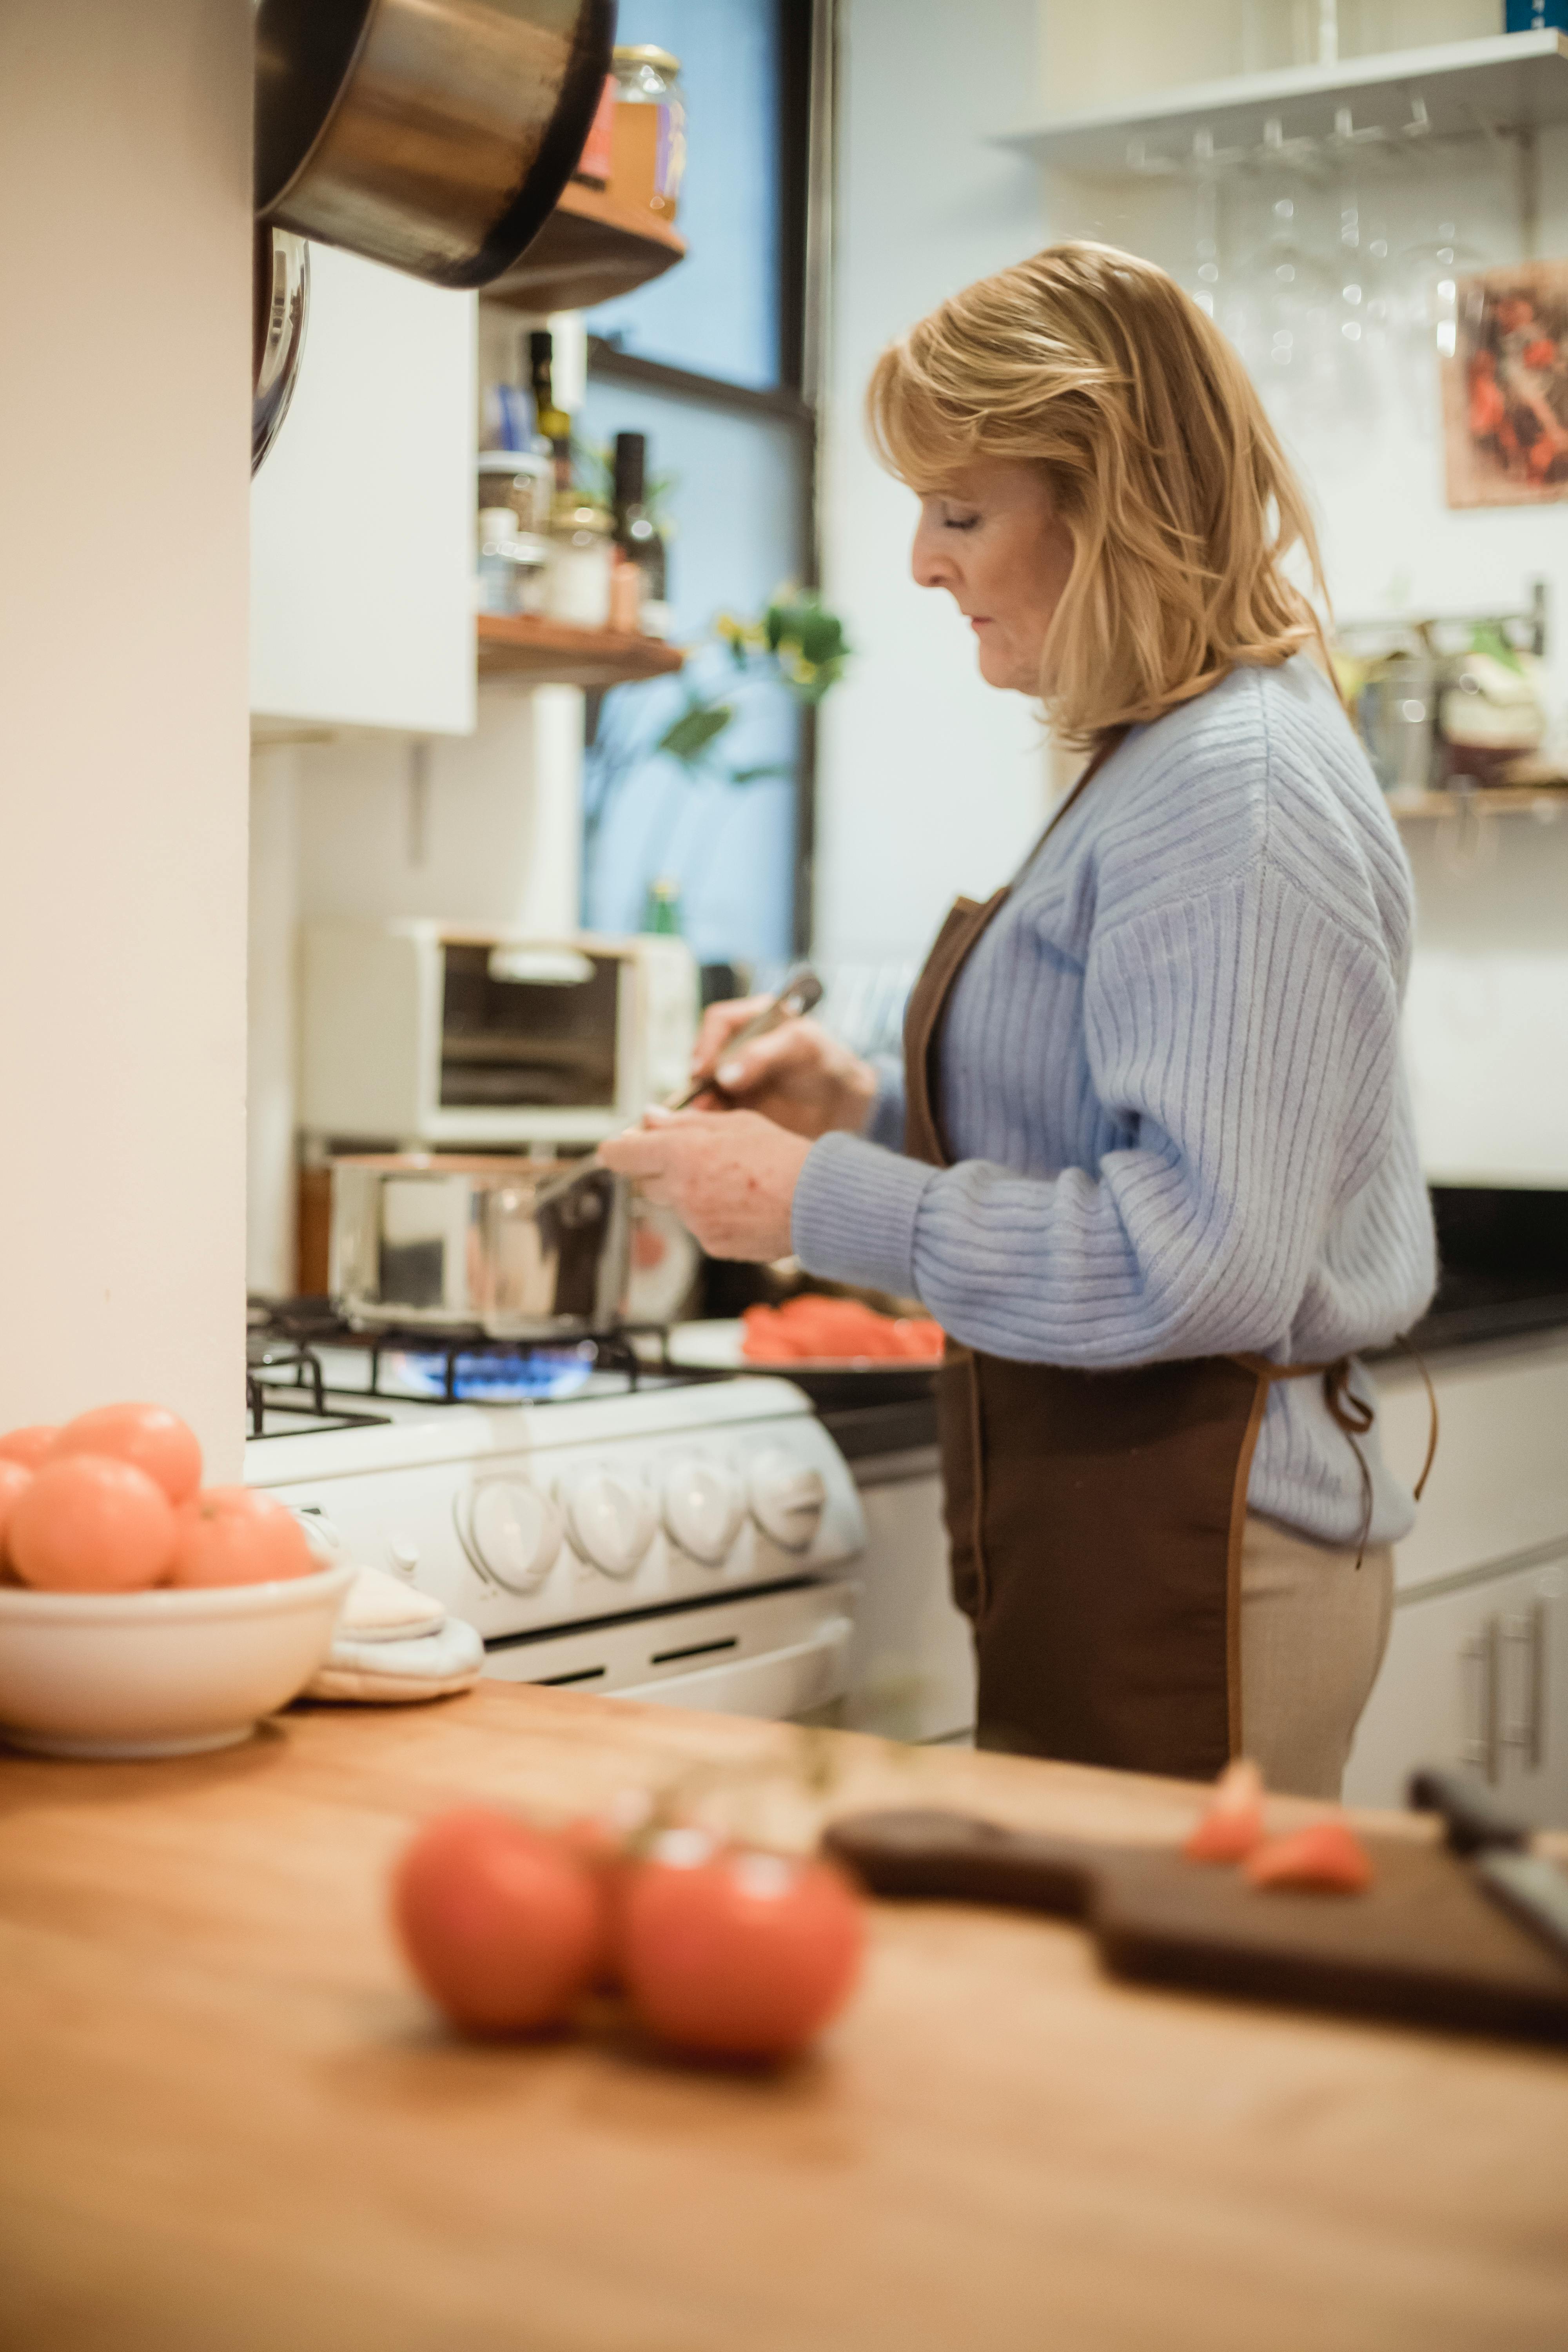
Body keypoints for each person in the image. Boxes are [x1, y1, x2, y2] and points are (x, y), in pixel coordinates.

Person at [601, 242, 1437, 1798]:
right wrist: (849, 1110)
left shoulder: (1229, 788)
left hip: (1210, 1548)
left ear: (1107, 503)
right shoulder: (1167, 758)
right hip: (1136, 1522)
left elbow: (1195, 1255)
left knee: (1148, 2036)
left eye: (960, 513)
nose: (923, 563)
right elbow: (1110, 1128)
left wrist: (818, 1202)